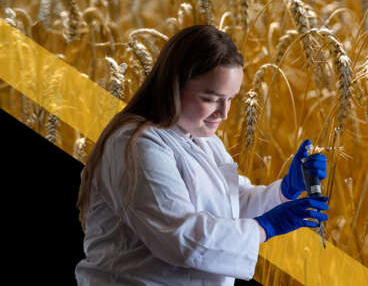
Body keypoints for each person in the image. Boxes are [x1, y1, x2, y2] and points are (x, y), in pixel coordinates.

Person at [75, 25, 330, 285]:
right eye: (210, 98)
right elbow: (180, 237)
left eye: (230, 98)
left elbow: (229, 205)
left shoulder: (199, 136)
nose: (224, 113)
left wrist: (284, 192)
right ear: (173, 86)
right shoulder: (135, 145)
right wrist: (266, 227)